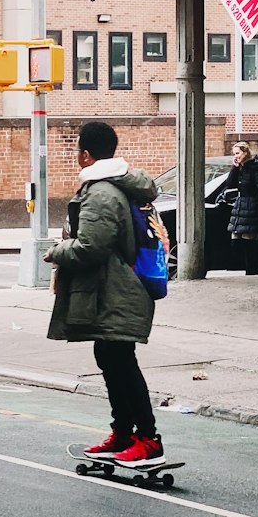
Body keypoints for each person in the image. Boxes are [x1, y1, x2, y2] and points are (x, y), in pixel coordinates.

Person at [44, 120, 164, 466]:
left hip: (116, 291)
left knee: (120, 363)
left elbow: (91, 247)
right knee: (111, 358)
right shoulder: (118, 186)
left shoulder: (100, 192)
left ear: (84, 155)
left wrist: (57, 250)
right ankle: (124, 432)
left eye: (76, 151)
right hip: (119, 289)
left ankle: (148, 440)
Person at [223, 141, 258, 275]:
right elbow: (230, 184)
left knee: (249, 242)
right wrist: (234, 167)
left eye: (238, 153)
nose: (235, 156)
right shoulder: (240, 168)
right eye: (234, 154)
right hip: (241, 206)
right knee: (235, 241)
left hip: (252, 206)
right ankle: (251, 266)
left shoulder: (255, 167)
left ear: (245, 153)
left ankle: (252, 269)